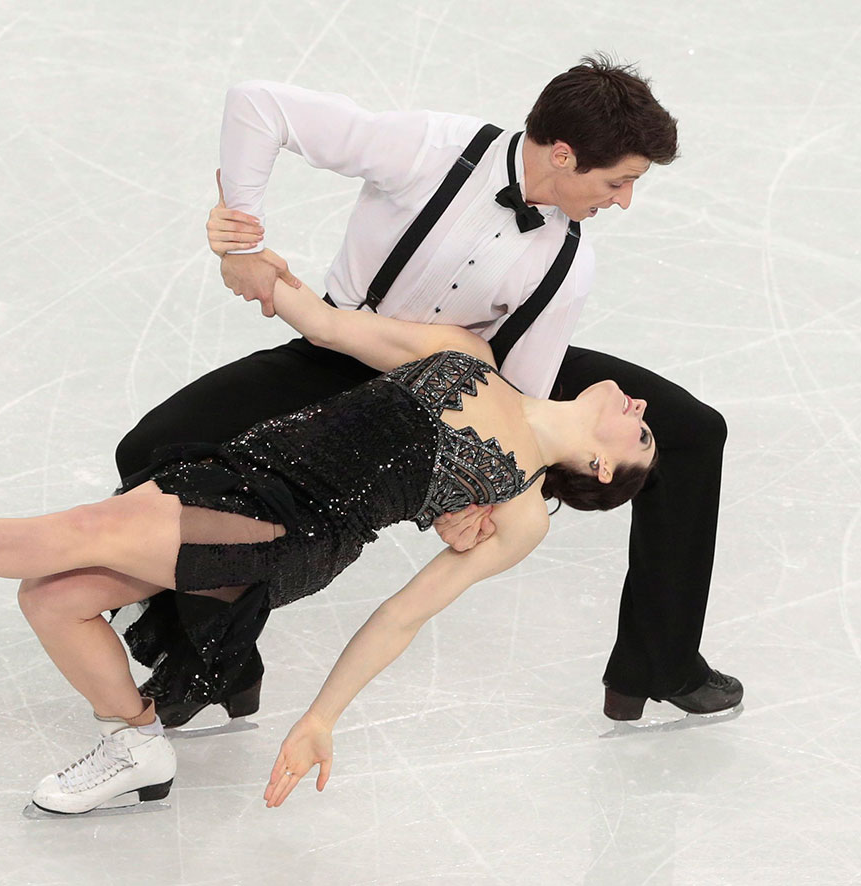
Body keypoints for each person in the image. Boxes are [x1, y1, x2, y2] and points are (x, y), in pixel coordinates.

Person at [0, 270, 657, 814]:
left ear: (601, 470)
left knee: (91, 528)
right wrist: (262, 271)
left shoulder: (518, 513)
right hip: (248, 470)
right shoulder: (467, 353)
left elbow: (403, 615)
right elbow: (334, 330)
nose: (643, 412)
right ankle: (134, 742)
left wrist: (321, 718)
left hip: (296, 529)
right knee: (53, 599)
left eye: (642, 440)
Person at [117, 55, 741, 726]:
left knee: (692, 431)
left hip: (467, 377)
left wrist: (482, 491)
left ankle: (658, 663)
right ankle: (224, 665)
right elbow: (257, 104)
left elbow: (517, 395)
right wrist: (241, 236)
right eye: (620, 182)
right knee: (154, 448)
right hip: (345, 349)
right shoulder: (431, 148)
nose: (623, 201)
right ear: (563, 154)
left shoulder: (568, 258)